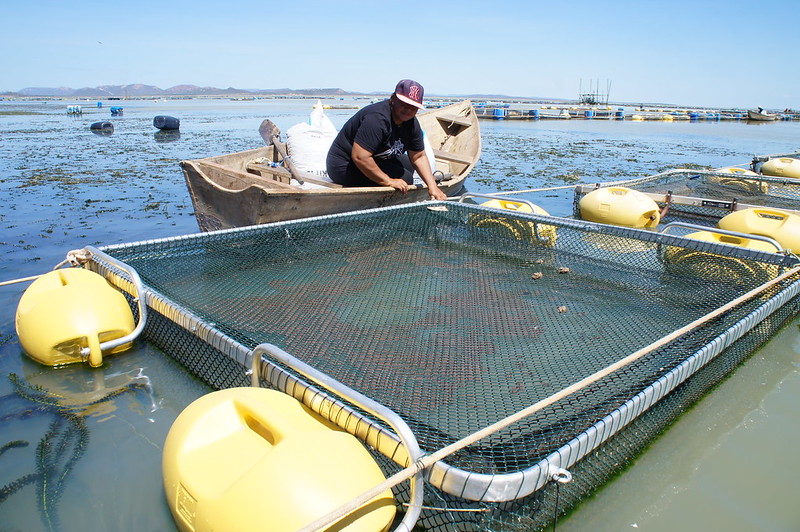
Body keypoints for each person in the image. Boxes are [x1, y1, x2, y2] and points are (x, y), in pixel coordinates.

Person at [326, 79, 447, 200]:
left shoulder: (411, 123)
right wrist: (388, 181)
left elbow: (418, 156)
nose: (408, 109)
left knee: (408, 165)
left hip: (375, 157)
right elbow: (360, 157)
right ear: (393, 99)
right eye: (404, 104)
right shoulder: (377, 119)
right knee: (406, 179)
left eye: (413, 106)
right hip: (344, 165)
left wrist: (432, 187)